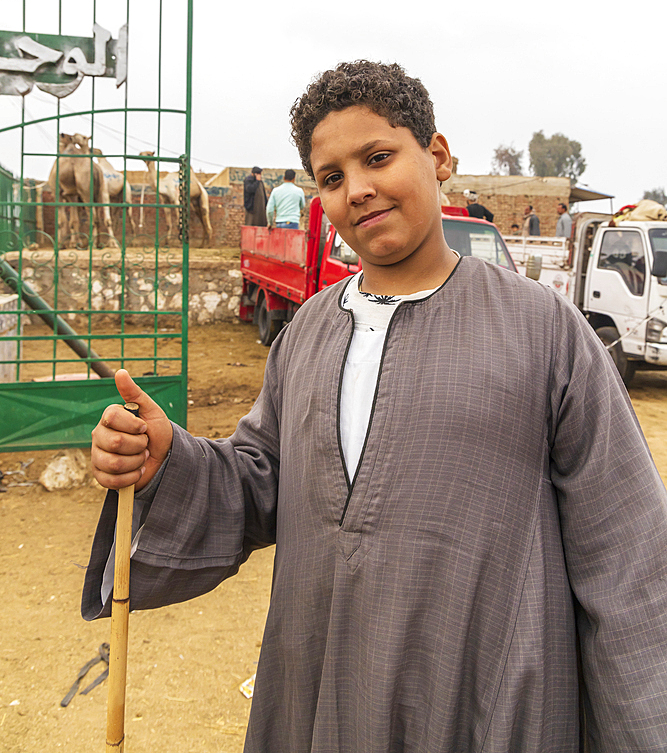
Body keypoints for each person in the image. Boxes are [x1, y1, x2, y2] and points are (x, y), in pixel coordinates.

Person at [84, 60, 667, 753]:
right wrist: (165, 462)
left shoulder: (544, 330)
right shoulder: (307, 332)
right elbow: (260, 479)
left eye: (378, 157)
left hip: (483, 702)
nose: (357, 189)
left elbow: (627, 559)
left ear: (438, 156)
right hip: (321, 690)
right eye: (331, 178)